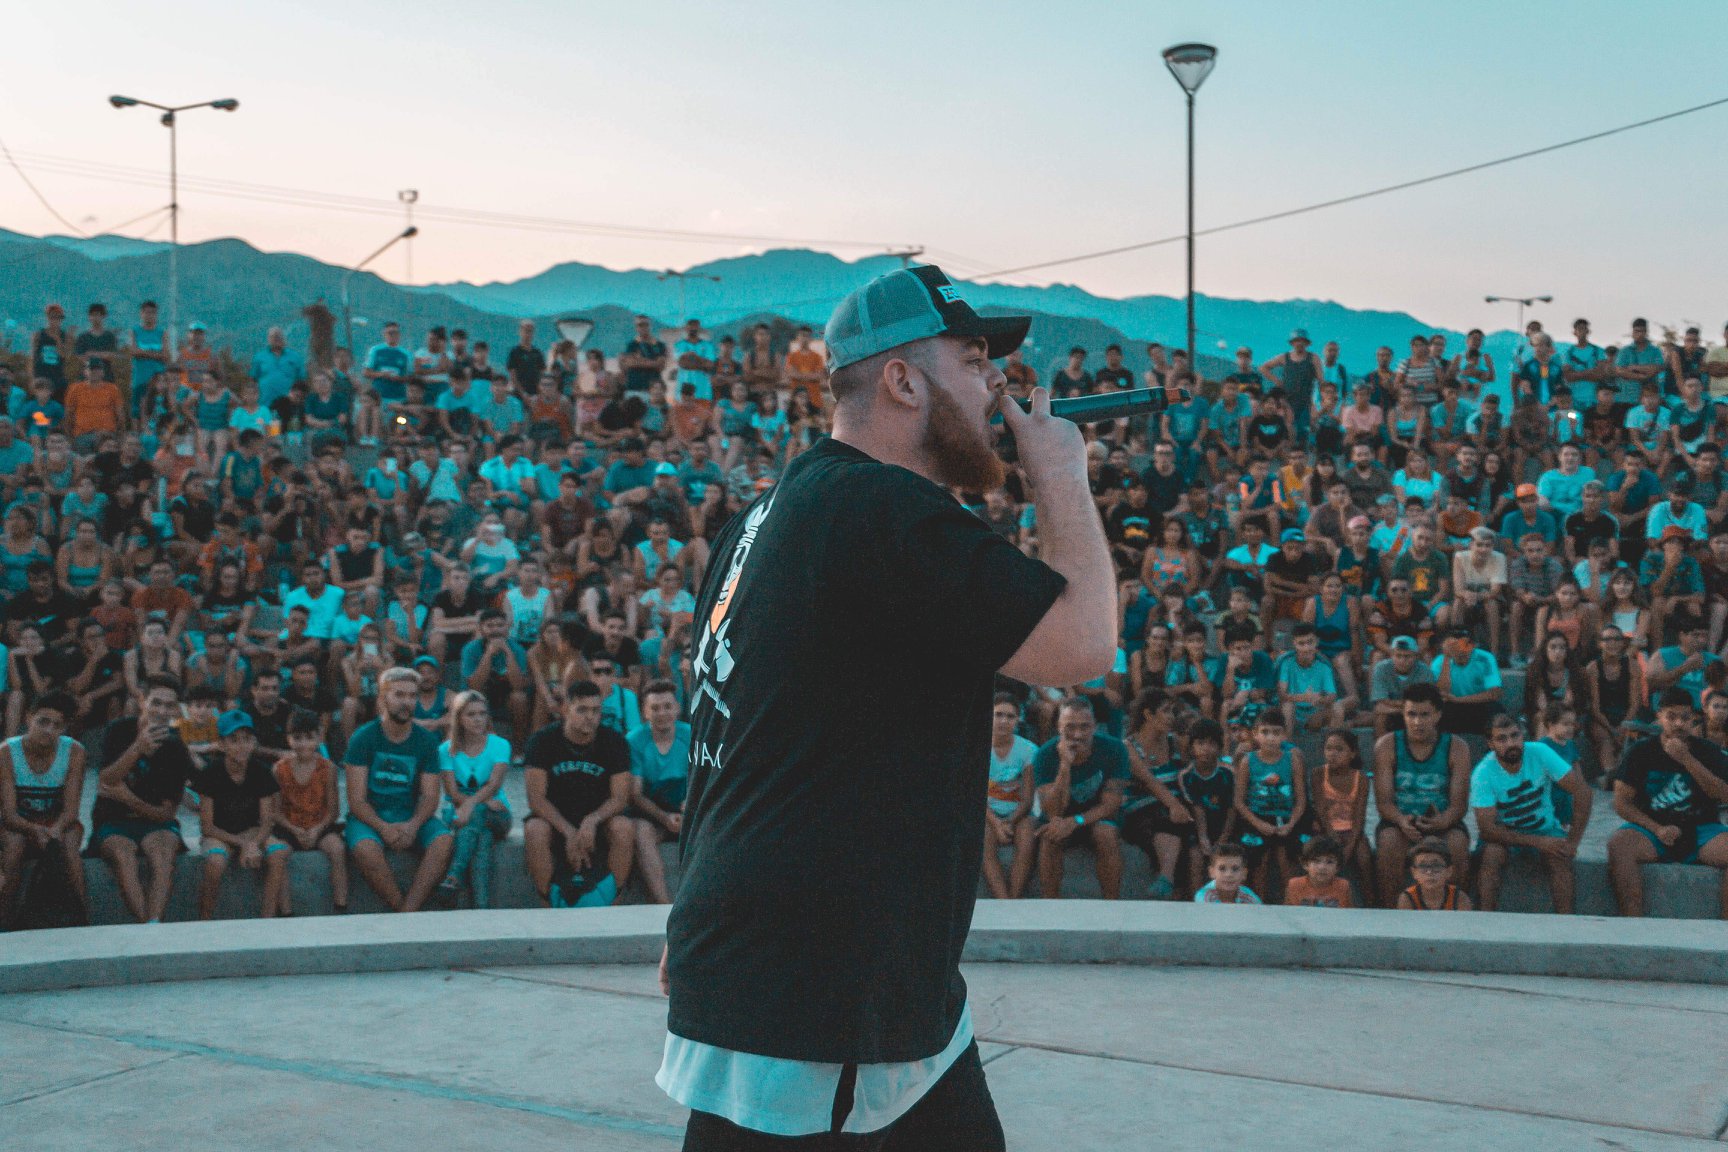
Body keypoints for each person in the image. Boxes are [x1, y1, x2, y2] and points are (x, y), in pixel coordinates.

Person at [663, 266, 1107, 1148]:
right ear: (903, 380)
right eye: (976, 362)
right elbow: (1081, 645)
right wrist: (1059, 475)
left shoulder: (773, 509)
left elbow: (731, 731)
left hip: (841, 981)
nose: (999, 387)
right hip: (822, 996)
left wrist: (695, 909)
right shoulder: (880, 508)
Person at [1606, 688, 1728, 919]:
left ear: (1693, 718)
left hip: (1702, 830)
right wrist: (1657, 828)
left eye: (1685, 717)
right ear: (1659, 716)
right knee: (1618, 845)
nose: (1679, 724)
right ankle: (1633, 924)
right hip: (1653, 829)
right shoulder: (1640, 752)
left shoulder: (1708, 751)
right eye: (1671, 717)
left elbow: (1724, 795)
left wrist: (1687, 760)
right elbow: (1621, 803)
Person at [342, 666, 454, 914]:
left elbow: (430, 795)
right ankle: (400, 908)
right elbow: (356, 800)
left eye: (412, 696)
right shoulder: (363, 738)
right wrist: (383, 827)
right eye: (399, 695)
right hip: (371, 817)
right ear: (383, 699)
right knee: (365, 849)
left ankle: (409, 910)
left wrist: (413, 825)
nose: (407, 702)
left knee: (444, 840)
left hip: (411, 815)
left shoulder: (426, 741)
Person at [87, 675, 193, 923]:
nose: (162, 711)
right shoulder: (119, 730)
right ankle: (147, 925)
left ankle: (153, 923)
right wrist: (137, 748)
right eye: (156, 703)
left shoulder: (176, 747)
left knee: (163, 854)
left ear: (177, 709)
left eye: (169, 706)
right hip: (112, 820)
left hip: (154, 823)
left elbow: (166, 814)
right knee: (124, 855)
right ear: (143, 700)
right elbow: (106, 779)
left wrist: (128, 799)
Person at [523, 680, 635, 906]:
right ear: (565, 709)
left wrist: (592, 821)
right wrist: (569, 832)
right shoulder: (542, 741)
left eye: (595, 710)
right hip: (556, 818)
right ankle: (550, 905)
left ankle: (612, 903)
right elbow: (536, 799)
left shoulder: (615, 742)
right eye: (582, 710)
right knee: (534, 829)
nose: (590, 717)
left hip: (599, 819)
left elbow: (620, 798)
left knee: (624, 827)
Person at [1472, 711, 1594, 913]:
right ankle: (1486, 922)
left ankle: (1568, 926)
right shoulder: (1483, 773)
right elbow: (1487, 830)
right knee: (1491, 855)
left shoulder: (1539, 752)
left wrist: (1573, 841)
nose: (1511, 743)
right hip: (1505, 835)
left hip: (1545, 828)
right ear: (1490, 743)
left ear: (1522, 735)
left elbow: (1582, 791)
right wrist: (1539, 843)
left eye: (1515, 736)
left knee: (1560, 858)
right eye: (1502, 739)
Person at [1372, 683, 1471, 907]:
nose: (1417, 722)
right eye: (1411, 714)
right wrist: (1400, 820)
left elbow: (1459, 805)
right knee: (1388, 842)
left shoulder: (1457, 747)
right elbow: (1384, 802)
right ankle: (1391, 912)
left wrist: (1442, 821)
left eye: (1424, 714)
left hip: (1443, 821)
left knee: (1456, 844)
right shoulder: (1387, 745)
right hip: (1400, 822)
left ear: (1437, 714)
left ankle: (1455, 912)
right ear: (1403, 714)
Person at [0, 692, 87, 926]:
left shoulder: (75, 752)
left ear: (64, 728)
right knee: (14, 847)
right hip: (19, 823)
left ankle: (81, 918)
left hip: (57, 821)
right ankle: (5, 921)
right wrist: (34, 830)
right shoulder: (7, 752)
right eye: (43, 722)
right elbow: (8, 814)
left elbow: (71, 811)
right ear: (29, 718)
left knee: (68, 846)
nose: (49, 730)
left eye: (57, 725)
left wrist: (54, 830)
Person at [194, 711, 290, 920]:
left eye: (247, 740)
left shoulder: (261, 772)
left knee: (277, 852)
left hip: (251, 830)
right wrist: (243, 845)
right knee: (216, 861)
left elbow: (266, 821)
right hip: (220, 833)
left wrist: (253, 843)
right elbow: (207, 827)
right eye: (234, 740)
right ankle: (204, 920)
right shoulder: (210, 774)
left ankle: (267, 919)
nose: (242, 746)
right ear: (221, 744)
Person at [1031, 696, 1128, 899]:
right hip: (1060, 816)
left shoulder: (1115, 749)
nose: (1077, 734)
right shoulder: (1044, 755)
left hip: (1095, 816)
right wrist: (1065, 766)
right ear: (1058, 727)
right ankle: (1051, 907)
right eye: (1070, 727)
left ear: (1094, 726)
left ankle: (1111, 905)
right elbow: (1053, 810)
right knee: (1051, 836)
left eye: (1085, 727)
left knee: (1106, 834)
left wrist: (1076, 821)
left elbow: (1111, 804)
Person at [270, 707, 347, 915]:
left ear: (318, 738)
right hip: (290, 826)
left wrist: (316, 829)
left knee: (337, 849)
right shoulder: (279, 769)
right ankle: (286, 913)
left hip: (319, 824)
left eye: (309, 738)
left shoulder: (327, 768)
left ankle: (341, 907)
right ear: (289, 739)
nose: (303, 744)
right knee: (277, 855)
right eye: (297, 738)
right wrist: (295, 830)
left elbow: (333, 810)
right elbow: (274, 812)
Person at [627, 679, 691, 906]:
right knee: (641, 833)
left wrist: (689, 809)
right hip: (652, 811)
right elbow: (634, 794)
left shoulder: (691, 735)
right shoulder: (635, 740)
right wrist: (664, 818)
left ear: (677, 708)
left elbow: (704, 779)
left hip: (687, 807)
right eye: (654, 708)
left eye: (667, 706)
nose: (662, 713)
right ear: (644, 712)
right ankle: (664, 905)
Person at [983, 692, 1037, 900]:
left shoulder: (1028, 750)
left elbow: (1027, 799)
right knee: (983, 840)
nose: (1004, 721)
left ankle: (1014, 900)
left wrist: (1010, 821)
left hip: (1018, 813)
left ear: (1018, 719)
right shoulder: (978, 747)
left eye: (1010, 716)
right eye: (998, 715)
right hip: (988, 813)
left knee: (1027, 835)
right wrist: (997, 824)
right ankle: (1002, 900)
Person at [1396, 836, 1473, 910]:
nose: (1429, 872)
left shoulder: (1459, 898)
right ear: (1414, 872)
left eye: (1436, 866)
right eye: (1423, 866)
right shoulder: (1408, 898)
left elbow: (1463, 923)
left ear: (1449, 871)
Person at [1284, 834, 1354, 908]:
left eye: (1329, 862)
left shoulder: (1343, 886)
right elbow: (1289, 914)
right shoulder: (1294, 885)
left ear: (1338, 867)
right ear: (1305, 864)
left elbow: (1348, 915)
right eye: (1316, 861)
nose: (1322, 867)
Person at [1193, 841, 1261, 904]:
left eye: (1235, 869)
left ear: (1244, 874)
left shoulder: (1249, 897)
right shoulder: (1204, 897)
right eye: (1222, 869)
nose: (1229, 874)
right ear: (1212, 872)